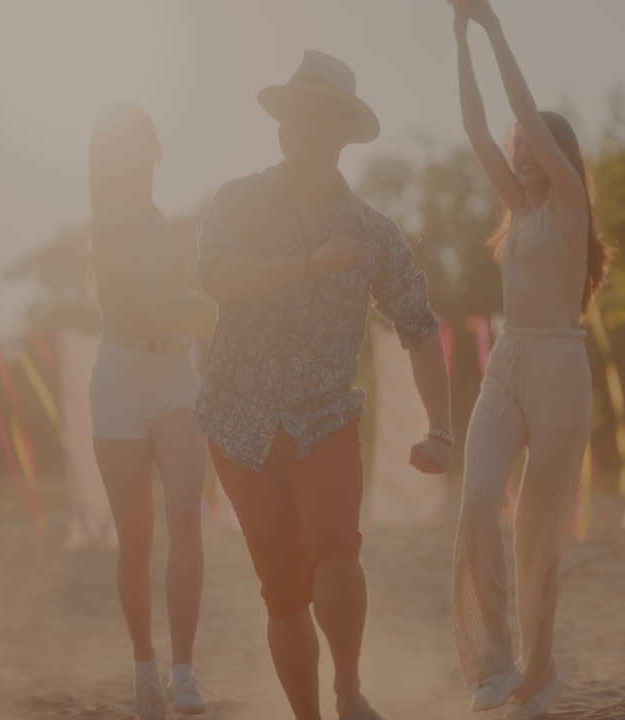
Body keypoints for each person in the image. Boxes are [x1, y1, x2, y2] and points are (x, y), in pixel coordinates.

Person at [195, 50, 452, 720]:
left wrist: (441, 428)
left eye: (316, 119)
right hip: (239, 421)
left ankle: (347, 689)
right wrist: (307, 265)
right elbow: (219, 275)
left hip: (326, 415)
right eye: (293, 117)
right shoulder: (239, 200)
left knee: (338, 551)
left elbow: (420, 327)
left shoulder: (373, 232)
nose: (300, 130)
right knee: (283, 593)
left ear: (342, 133)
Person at [448, 1, 610, 717]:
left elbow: (518, 107)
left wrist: (493, 26)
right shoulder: (514, 206)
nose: (518, 145)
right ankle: (492, 663)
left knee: (538, 538)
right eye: (519, 142)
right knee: (479, 498)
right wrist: (459, 37)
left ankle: (538, 674)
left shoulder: (570, 204)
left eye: (532, 139)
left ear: (553, 151)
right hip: (508, 362)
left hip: (562, 374)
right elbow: (477, 126)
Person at [87, 103, 216, 719]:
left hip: (174, 378)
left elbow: (178, 303)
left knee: (186, 516)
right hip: (119, 381)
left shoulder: (158, 219)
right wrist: (227, 303)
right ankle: (145, 664)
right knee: (135, 541)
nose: (137, 158)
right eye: (124, 148)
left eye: (144, 146)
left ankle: (184, 669)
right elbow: (162, 303)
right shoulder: (109, 225)